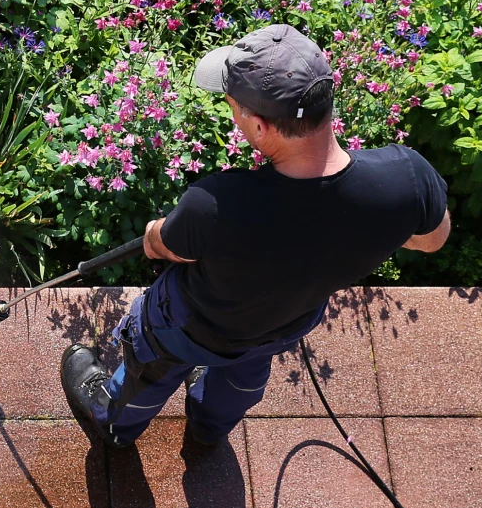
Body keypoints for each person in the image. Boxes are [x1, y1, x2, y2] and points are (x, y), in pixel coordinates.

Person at [61, 23, 450, 449]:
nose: (233, 114)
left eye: (234, 107)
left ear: (260, 127)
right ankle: (208, 431)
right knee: (241, 380)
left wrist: (156, 230)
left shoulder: (216, 205)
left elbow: (163, 246)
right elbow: (433, 239)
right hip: (282, 324)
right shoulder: (407, 177)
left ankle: (114, 423)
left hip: (190, 326)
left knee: (150, 369)